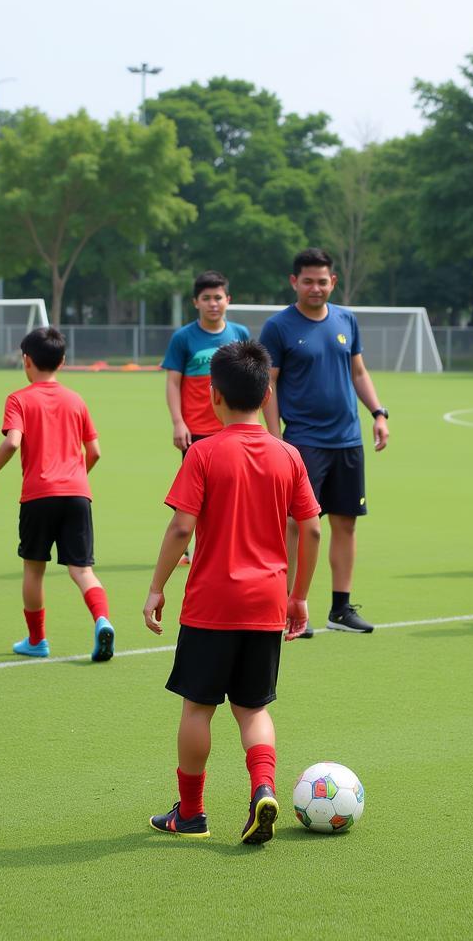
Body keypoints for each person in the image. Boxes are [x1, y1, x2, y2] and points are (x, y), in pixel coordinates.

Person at [144, 340, 321, 843]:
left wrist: (157, 587)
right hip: (266, 603)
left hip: (211, 605)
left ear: (213, 396)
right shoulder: (288, 455)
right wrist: (299, 595)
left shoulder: (203, 453)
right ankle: (262, 788)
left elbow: (182, 527)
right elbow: (310, 529)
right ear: (267, 393)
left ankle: (192, 813)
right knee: (254, 709)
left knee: (198, 708)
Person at [259, 248, 388, 635]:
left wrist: (379, 413)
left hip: (347, 439)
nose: (316, 288)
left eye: (323, 281)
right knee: (298, 524)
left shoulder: (347, 319)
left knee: (345, 523)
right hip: (303, 441)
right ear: (294, 282)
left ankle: (341, 609)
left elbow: (359, 372)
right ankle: (290, 606)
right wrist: (274, 437)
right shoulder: (278, 327)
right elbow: (270, 382)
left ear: (333, 281)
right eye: (308, 281)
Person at [0, 327, 114, 661]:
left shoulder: (19, 399)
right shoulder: (76, 399)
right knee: (82, 570)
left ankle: (37, 641)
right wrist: (76, 476)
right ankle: (102, 620)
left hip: (38, 495)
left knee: (34, 570)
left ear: (26, 360)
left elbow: (12, 441)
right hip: (78, 494)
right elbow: (95, 451)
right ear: (62, 361)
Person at [161, 270, 249, 566]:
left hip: (233, 429)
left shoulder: (240, 334)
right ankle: (190, 549)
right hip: (196, 430)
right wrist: (178, 422)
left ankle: (231, 546)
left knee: (236, 492)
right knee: (194, 497)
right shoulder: (183, 338)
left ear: (228, 300)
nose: (213, 304)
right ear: (195, 302)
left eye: (218, 298)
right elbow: (173, 382)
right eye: (206, 298)